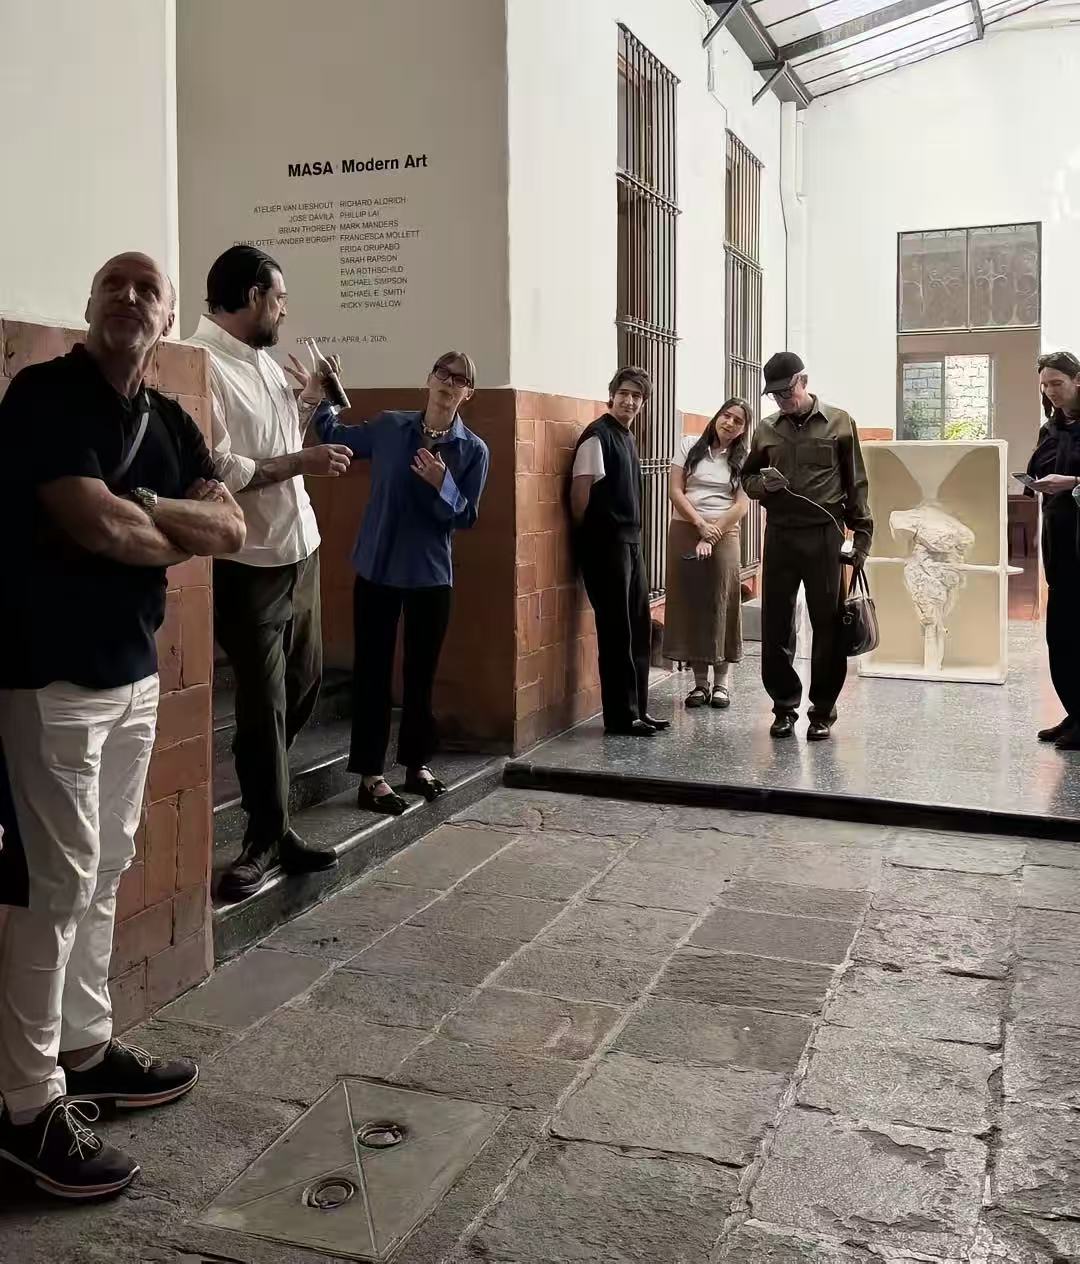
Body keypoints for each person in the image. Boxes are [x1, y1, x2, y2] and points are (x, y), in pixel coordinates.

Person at [0, 253, 246, 1198]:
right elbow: (92, 523)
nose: (130, 298)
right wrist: (167, 526)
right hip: (51, 679)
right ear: (90, 304)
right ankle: (25, 1104)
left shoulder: (171, 417)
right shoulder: (44, 396)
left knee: (105, 868)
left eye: (149, 290)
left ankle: (86, 1046)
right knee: (53, 884)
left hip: (134, 678)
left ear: (169, 318)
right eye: (115, 284)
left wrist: (147, 507)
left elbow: (231, 530)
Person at [188, 245, 349, 901]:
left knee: (303, 686)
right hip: (248, 562)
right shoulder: (200, 366)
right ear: (254, 296)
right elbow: (223, 470)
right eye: (279, 298)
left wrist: (308, 403)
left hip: (300, 547)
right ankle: (263, 839)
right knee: (263, 707)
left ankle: (272, 816)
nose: (284, 311)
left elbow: (280, 444)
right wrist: (304, 462)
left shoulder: (260, 359)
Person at [311, 353, 489, 814]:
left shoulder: (473, 450)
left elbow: (467, 516)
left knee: (420, 674)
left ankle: (416, 764)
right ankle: (370, 777)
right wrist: (323, 394)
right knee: (372, 673)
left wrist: (443, 483)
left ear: (468, 393)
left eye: (459, 380)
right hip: (378, 567)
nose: (448, 383)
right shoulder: (392, 426)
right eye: (442, 373)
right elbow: (336, 435)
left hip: (431, 575)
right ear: (428, 379)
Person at [742, 352, 872, 742]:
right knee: (776, 624)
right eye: (775, 395)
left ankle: (823, 712)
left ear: (804, 381)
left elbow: (856, 483)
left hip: (824, 535)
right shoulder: (766, 429)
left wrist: (862, 537)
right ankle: (784, 708)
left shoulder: (840, 422)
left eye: (787, 392)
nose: (782, 400)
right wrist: (764, 486)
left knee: (828, 625)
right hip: (781, 534)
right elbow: (747, 478)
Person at [570, 367, 671, 737]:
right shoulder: (597, 437)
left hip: (631, 543)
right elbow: (579, 496)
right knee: (616, 631)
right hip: (605, 544)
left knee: (637, 627)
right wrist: (593, 536)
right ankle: (620, 717)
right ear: (611, 396)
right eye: (624, 393)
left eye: (637, 396)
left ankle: (638, 709)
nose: (629, 401)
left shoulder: (626, 437)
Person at [662, 399, 751, 709]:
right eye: (726, 416)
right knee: (692, 602)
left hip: (724, 532)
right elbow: (675, 490)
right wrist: (700, 525)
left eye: (738, 421)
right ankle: (700, 683)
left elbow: (741, 504)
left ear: (743, 429)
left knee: (721, 601)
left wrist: (713, 533)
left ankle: (722, 683)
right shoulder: (689, 445)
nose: (730, 423)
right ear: (717, 417)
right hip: (686, 528)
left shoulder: (744, 459)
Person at [1025, 351, 1080, 750]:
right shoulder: (1051, 429)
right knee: (1060, 635)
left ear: (1078, 381)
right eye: (1045, 385)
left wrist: (1073, 482)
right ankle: (1075, 712)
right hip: (1059, 543)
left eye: (1057, 383)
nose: (1050, 392)